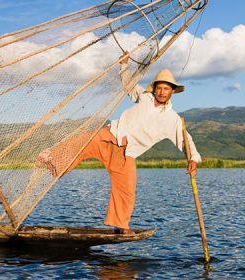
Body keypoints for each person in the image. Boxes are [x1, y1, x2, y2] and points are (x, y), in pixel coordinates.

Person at [37, 54, 201, 235]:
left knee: (127, 189)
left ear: (172, 91)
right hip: (112, 135)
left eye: (166, 89)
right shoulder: (144, 96)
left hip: (127, 152)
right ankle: (52, 160)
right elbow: (129, 84)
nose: (162, 92)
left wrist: (193, 159)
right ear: (154, 89)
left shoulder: (173, 119)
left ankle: (121, 226)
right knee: (83, 140)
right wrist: (124, 65)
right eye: (159, 88)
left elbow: (186, 139)